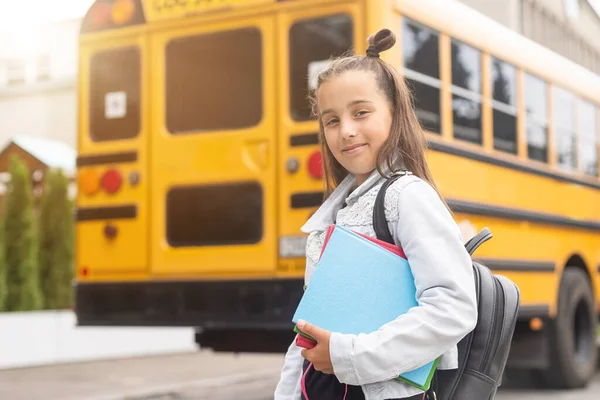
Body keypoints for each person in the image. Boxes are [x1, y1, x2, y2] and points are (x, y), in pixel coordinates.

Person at [274, 28, 478, 400]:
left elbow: (453, 308)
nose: (346, 131)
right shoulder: (333, 214)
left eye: (361, 113)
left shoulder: (408, 197)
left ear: (395, 113)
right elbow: (306, 332)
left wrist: (348, 355)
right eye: (331, 120)